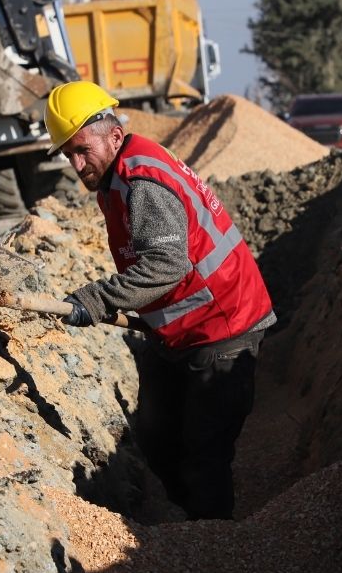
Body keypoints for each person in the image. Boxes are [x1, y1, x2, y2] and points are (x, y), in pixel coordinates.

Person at [46, 81, 275, 521]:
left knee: (204, 455)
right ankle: (192, 530)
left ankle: (213, 550)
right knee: (156, 437)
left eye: (81, 149)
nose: (76, 163)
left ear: (113, 135)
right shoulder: (118, 171)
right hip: (179, 329)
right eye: (67, 154)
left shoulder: (142, 180)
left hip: (223, 324)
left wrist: (98, 299)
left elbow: (167, 266)